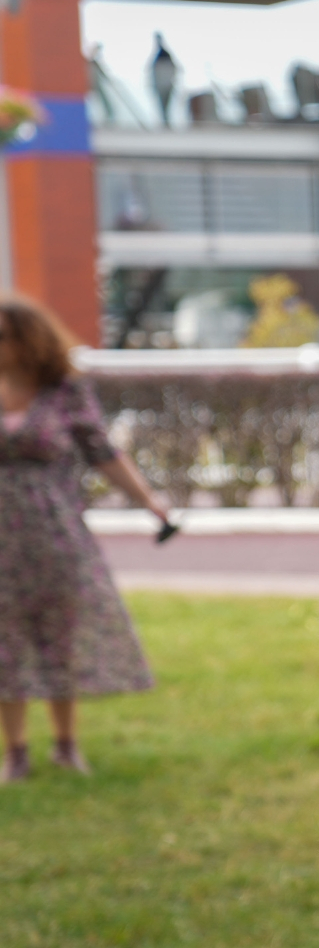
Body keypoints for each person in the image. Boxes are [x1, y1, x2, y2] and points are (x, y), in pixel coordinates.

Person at [0, 296, 169, 783]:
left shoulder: (63, 392)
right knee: (5, 643)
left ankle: (65, 743)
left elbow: (103, 452)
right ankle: (14, 751)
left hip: (55, 536)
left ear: (27, 339)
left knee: (59, 637)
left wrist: (149, 500)